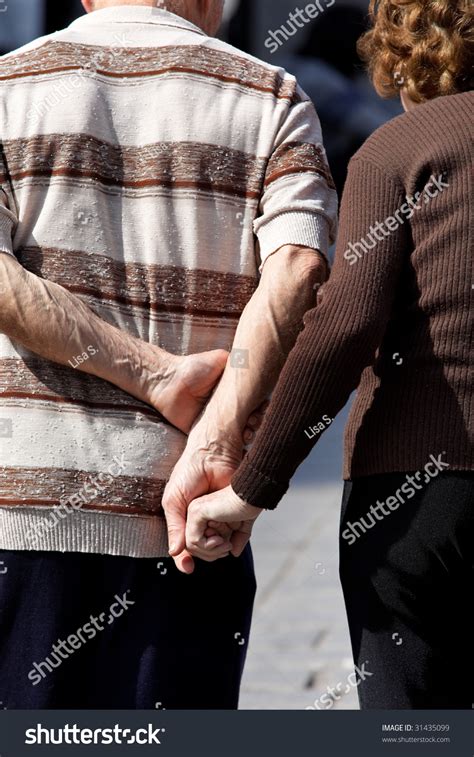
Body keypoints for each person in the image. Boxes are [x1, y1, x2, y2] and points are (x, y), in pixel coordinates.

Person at [0, 0, 337, 708]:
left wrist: (153, 376)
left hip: (21, 514)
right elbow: (299, 265)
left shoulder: (8, 85)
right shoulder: (272, 97)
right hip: (188, 518)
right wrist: (213, 430)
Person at [173, 0, 474, 709]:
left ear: (405, 47)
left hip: (419, 501)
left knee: (414, 725)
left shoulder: (397, 153)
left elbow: (344, 326)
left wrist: (254, 484)